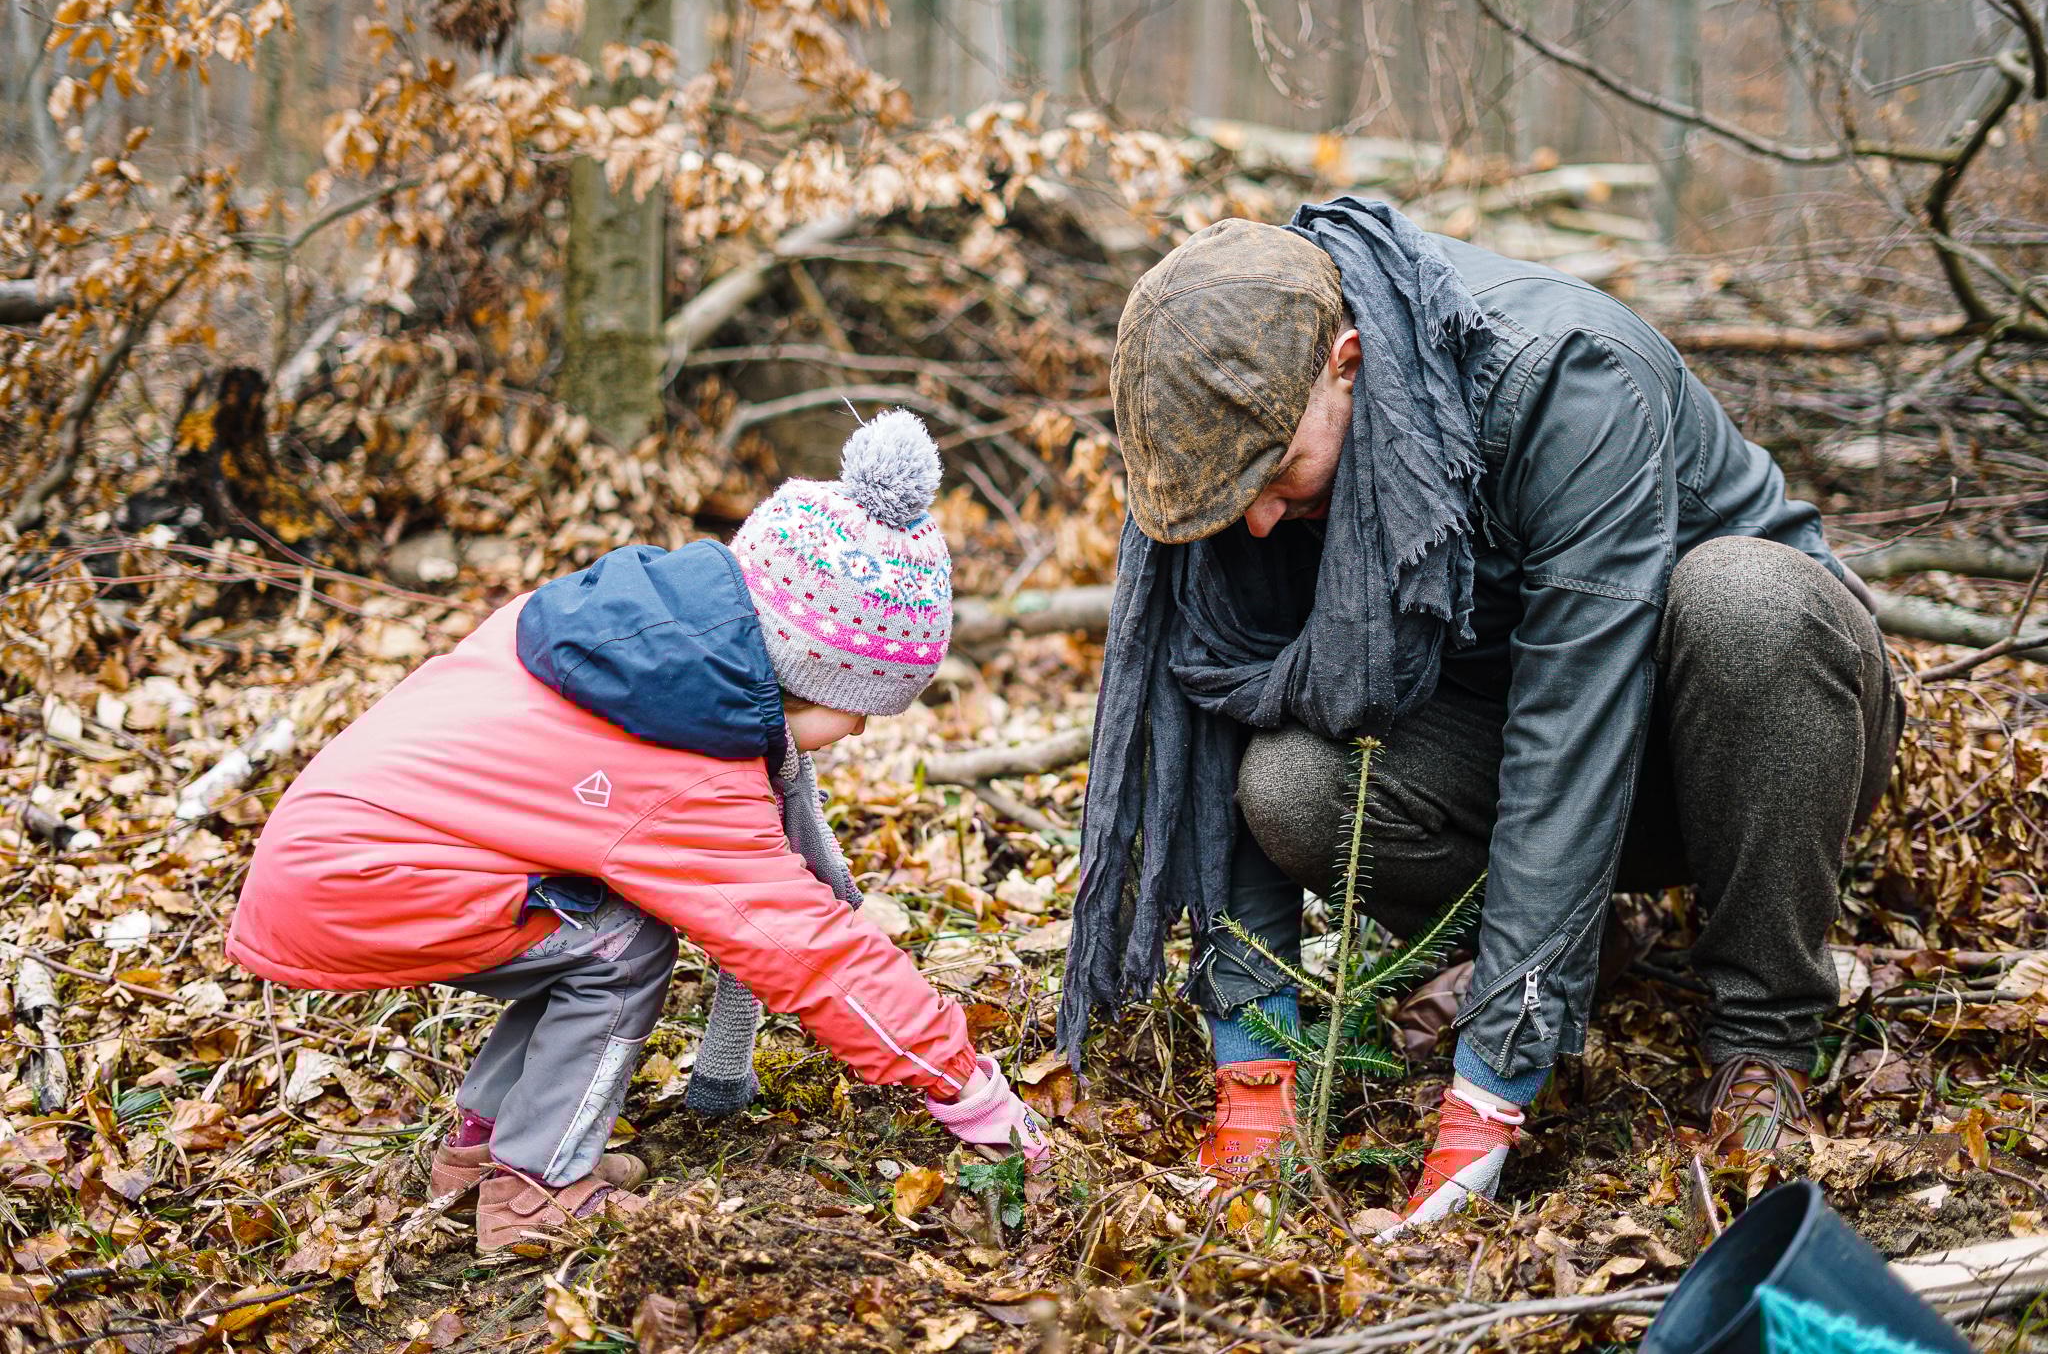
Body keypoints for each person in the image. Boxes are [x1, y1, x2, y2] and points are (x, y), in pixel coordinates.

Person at [1058, 199, 1899, 1232]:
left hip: (1759, 737)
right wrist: (1253, 1071)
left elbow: (1572, 728)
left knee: (1744, 601)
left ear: (1346, 364)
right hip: (1505, 736)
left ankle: (1760, 1037)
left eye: (1275, 477)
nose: (1262, 519)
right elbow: (1221, 704)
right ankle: (1575, 940)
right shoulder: (1244, 410)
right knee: (1290, 785)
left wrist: (1485, 1098)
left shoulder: (1561, 381)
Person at [229, 411, 1050, 1252]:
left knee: (591, 921)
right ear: (807, 667)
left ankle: (486, 1145)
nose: (864, 730)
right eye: (862, 707)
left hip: (325, 854)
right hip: (356, 882)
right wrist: (965, 1083)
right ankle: (534, 1191)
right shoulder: (684, 768)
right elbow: (807, 950)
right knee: (621, 947)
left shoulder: (615, 640)